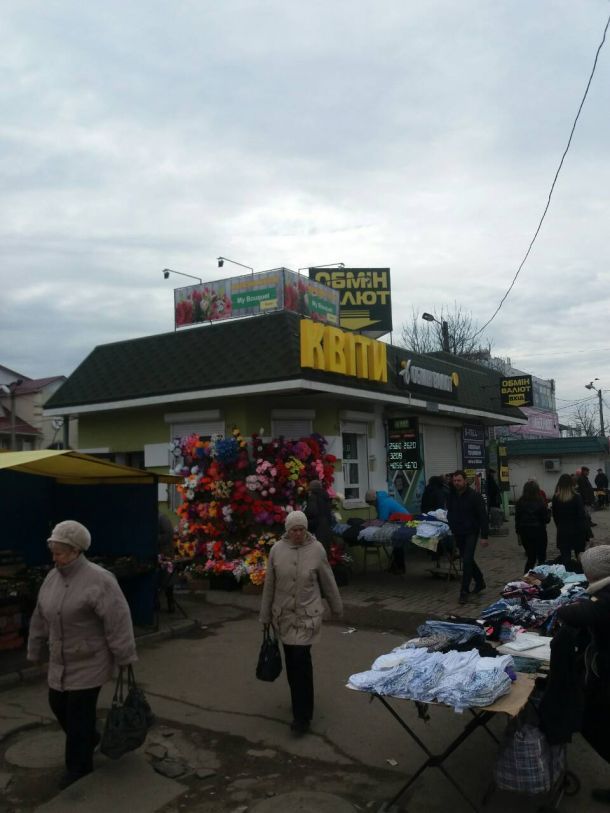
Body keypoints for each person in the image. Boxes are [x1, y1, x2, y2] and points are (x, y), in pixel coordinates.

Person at [27, 520, 137, 789]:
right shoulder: (52, 577)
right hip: (60, 659)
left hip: (90, 660)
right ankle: (88, 738)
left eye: (60, 553)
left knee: (78, 714)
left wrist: (124, 656)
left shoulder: (100, 579)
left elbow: (118, 619)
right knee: (57, 704)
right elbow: (40, 615)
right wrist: (35, 648)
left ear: (76, 551)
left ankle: (78, 768)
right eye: (53, 552)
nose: (55, 558)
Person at [259, 510, 343, 734]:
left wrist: (336, 606)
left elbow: (327, 580)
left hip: (308, 617)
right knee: (292, 663)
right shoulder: (277, 550)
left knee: (301, 661)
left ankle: (303, 717)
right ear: (288, 531)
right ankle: (298, 702)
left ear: (306, 529)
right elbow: (269, 585)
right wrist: (265, 615)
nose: (298, 534)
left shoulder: (316, 550)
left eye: (301, 529)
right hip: (284, 617)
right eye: (294, 530)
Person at [555, 545, 610, 803]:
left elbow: (574, 613)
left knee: (591, 721)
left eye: (587, 570)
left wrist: (562, 608)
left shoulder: (605, 599)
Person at [446, 470, 489, 605]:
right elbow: (450, 512)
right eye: (454, 481)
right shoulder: (451, 496)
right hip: (458, 531)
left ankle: (464, 591)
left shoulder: (474, 496)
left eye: (459, 480)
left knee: (467, 560)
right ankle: (480, 581)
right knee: (467, 558)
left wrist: (484, 536)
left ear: (465, 481)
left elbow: (483, 516)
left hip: (471, 531)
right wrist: (451, 526)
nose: (457, 483)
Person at [552, 474, 587, 569]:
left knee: (565, 559)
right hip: (577, 531)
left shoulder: (556, 498)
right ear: (571, 484)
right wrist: (585, 532)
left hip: (563, 531)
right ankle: (582, 577)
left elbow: (555, 516)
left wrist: (560, 526)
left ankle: (567, 577)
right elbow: (581, 516)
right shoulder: (577, 497)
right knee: (580, 558)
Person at [515, 480, 550, 572]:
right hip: (539, 532)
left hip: (525, 533)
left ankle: (526, 579)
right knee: (541, 558)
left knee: (531, 558)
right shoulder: (540, 502)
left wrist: (518, 533)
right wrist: (549, 512)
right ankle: (541, 579)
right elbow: (546, 519)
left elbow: (517, 519)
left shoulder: (520, 502)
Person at [304, 479, 334, 551]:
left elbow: (311, 512)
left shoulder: (313, 497)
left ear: (312, 489)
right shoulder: (325, 496)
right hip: (326, 527)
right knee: (325, 551)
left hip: (318, 528)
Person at [158, 512, 176, 612]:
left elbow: (168, 534)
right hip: (162, 553)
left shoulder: (161, 518)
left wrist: (153, 539)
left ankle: (170, 602)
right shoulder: (160, 517)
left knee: (168, 579)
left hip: (165, 554)